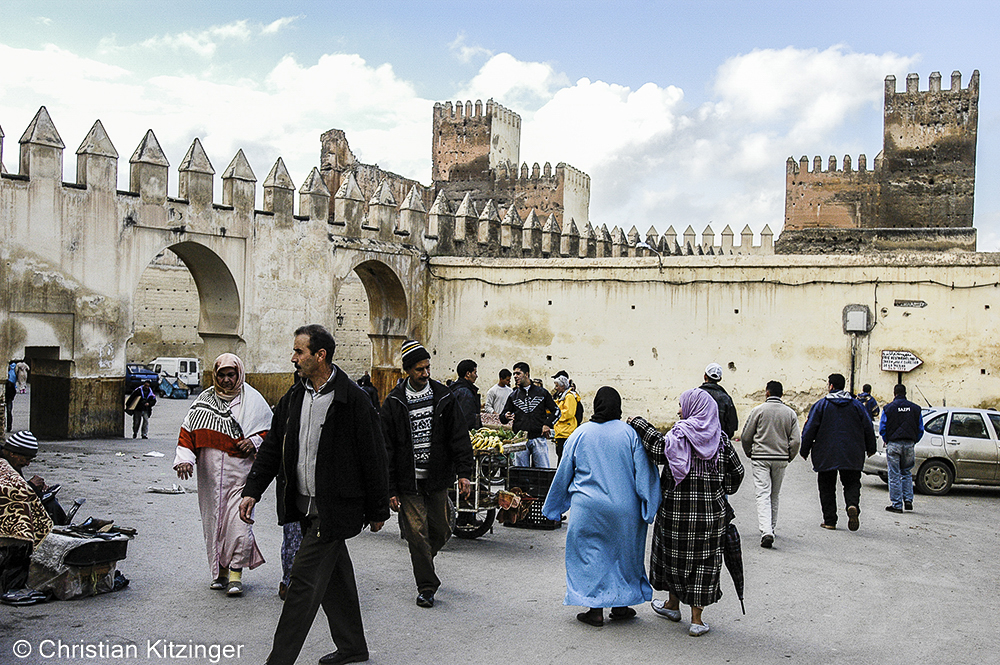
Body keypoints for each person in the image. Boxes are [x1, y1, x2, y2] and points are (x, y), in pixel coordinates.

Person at [239, 324, 389, 665]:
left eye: (299, 352)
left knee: (302, 582)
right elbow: (273, 448)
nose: (293, 358)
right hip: (303, 506)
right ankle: (352, 646)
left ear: (320, 355)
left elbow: (374, 456)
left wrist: (379, 508)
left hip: (335, 508)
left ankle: (278, 660)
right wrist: (252, 491)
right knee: (336, 578)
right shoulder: (294, 397)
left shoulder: (352, 399)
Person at [628, 388, 744, 637]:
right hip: (711, 518)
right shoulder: (721, 441)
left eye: (682, 405)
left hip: (675, 516)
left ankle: (672, 604)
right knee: (703, 564)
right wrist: (722, 488)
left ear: (694, 408)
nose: (679, 410)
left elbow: (658, 449)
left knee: (673, 558)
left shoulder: (678, 436)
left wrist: (638, 423)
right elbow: (737, 474)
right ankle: (696, 620)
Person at [542, 387, 660, 627]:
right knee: (624, 557)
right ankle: (621, 605)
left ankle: (594, 609)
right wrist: (650, 505)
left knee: (589, 556)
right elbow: (644, 474)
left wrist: (554, 508)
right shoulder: (630, 434)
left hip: (588, 508)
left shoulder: (580, 433)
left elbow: (564, 472)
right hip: (625, 510)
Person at [381, 340, 473, 608]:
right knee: (417, 534)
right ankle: (426, 586)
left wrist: (463, 473)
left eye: (428, 367)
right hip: (408, 483)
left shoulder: (444, 396)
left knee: (443, 529)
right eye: (420, 369)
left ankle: (423, 559)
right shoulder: (394, 402)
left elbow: (459, 436)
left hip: (437, 479)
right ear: (408, 370)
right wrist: (390, 489)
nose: (425, 373)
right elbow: (386, 448)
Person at [173, 353, 271, 596]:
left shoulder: (254, 401)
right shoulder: (203, 402)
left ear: (239, 375)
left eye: (231, 375)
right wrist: (185, 460)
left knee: (239, 523)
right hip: (210, 478)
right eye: (222, 375)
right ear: (215, 376)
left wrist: (255, 442)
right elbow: (188, 434)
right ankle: (220, 573)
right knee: (215, 524)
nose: (227, 380)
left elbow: (271, 433)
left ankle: (236, 574)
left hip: (241, 477)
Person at [800, 373, 877, 531]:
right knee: (852, 483)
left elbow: (810, 428)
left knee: (827, 486)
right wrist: (871, 448)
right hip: (852, 452)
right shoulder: (857, 406)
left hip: (825, 452)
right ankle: (852, 505)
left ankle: (830, 520)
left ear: (831, 386)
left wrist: (804, 449)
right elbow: (868, 427)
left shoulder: (821, 405)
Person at [740, 380, 801, 548]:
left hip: (760, 457)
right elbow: (796, 441)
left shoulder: (758, 411)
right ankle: (771, 528)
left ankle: (766, 531)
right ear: (781, 394)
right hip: (781, 458)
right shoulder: (790, 414)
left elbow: (746, 436)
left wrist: (749, 452)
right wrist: (789, 456)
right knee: (775, 494)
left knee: (762, 493)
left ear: (767, 392)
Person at [0, 431, 52, 593]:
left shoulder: (11, 465)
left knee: (51, 504)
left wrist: (35, 489)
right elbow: (11, 495)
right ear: (12, 453)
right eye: (26, 459)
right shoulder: (3, 466)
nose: (27, 464)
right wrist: (30, 486)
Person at [500, 362, 560, 468]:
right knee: (521, 474)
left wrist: (547, 425)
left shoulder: (542, 393)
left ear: (527, 374)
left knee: (542, 473)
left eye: (518, 373)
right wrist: (505, 416)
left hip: (539, 438)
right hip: (520, 440)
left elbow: (556, 411)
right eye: (514, 374)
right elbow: (502, 416)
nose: (515, 376)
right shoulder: (513, 396)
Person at [879, 384, 924, 513]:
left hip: (894, 444)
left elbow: (883, 428)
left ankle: (897, 505)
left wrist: (887, 440)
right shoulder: (915, 409)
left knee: (894, 475)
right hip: (909, 444)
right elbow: (920, 429)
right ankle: (908, 500)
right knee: (907, 473)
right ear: (905, 393)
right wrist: (913, 441)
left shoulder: (888, 409)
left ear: (894, 393)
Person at [699, 362, 738, 439]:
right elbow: (732, 425)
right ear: (720, 379)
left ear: (705, 376)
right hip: (718, 443)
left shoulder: (694, 395)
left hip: (697, 442)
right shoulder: (726, 398)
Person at [551, 373, 581, 462]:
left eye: (557, 386)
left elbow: (568, 413)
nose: (555, 388)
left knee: (563, 458)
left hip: (566, 431)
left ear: (563, 386)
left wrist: (556, 416)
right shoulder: (562, 397)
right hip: (561, 432)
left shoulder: (569, 397)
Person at [450, 359, 482, 431]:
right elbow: (467, 419)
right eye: (475, 373)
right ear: (468, 374)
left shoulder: (455, 388)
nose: (476, 376)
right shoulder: (465, 393)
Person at [5, 362, 16, 432]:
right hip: (9, 399)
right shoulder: (10, 383)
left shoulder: (9, 384)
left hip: (8, 398)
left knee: (9, 412)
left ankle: (9, 426)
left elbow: (13, 391)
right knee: (9, 412)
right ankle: (8, 426)